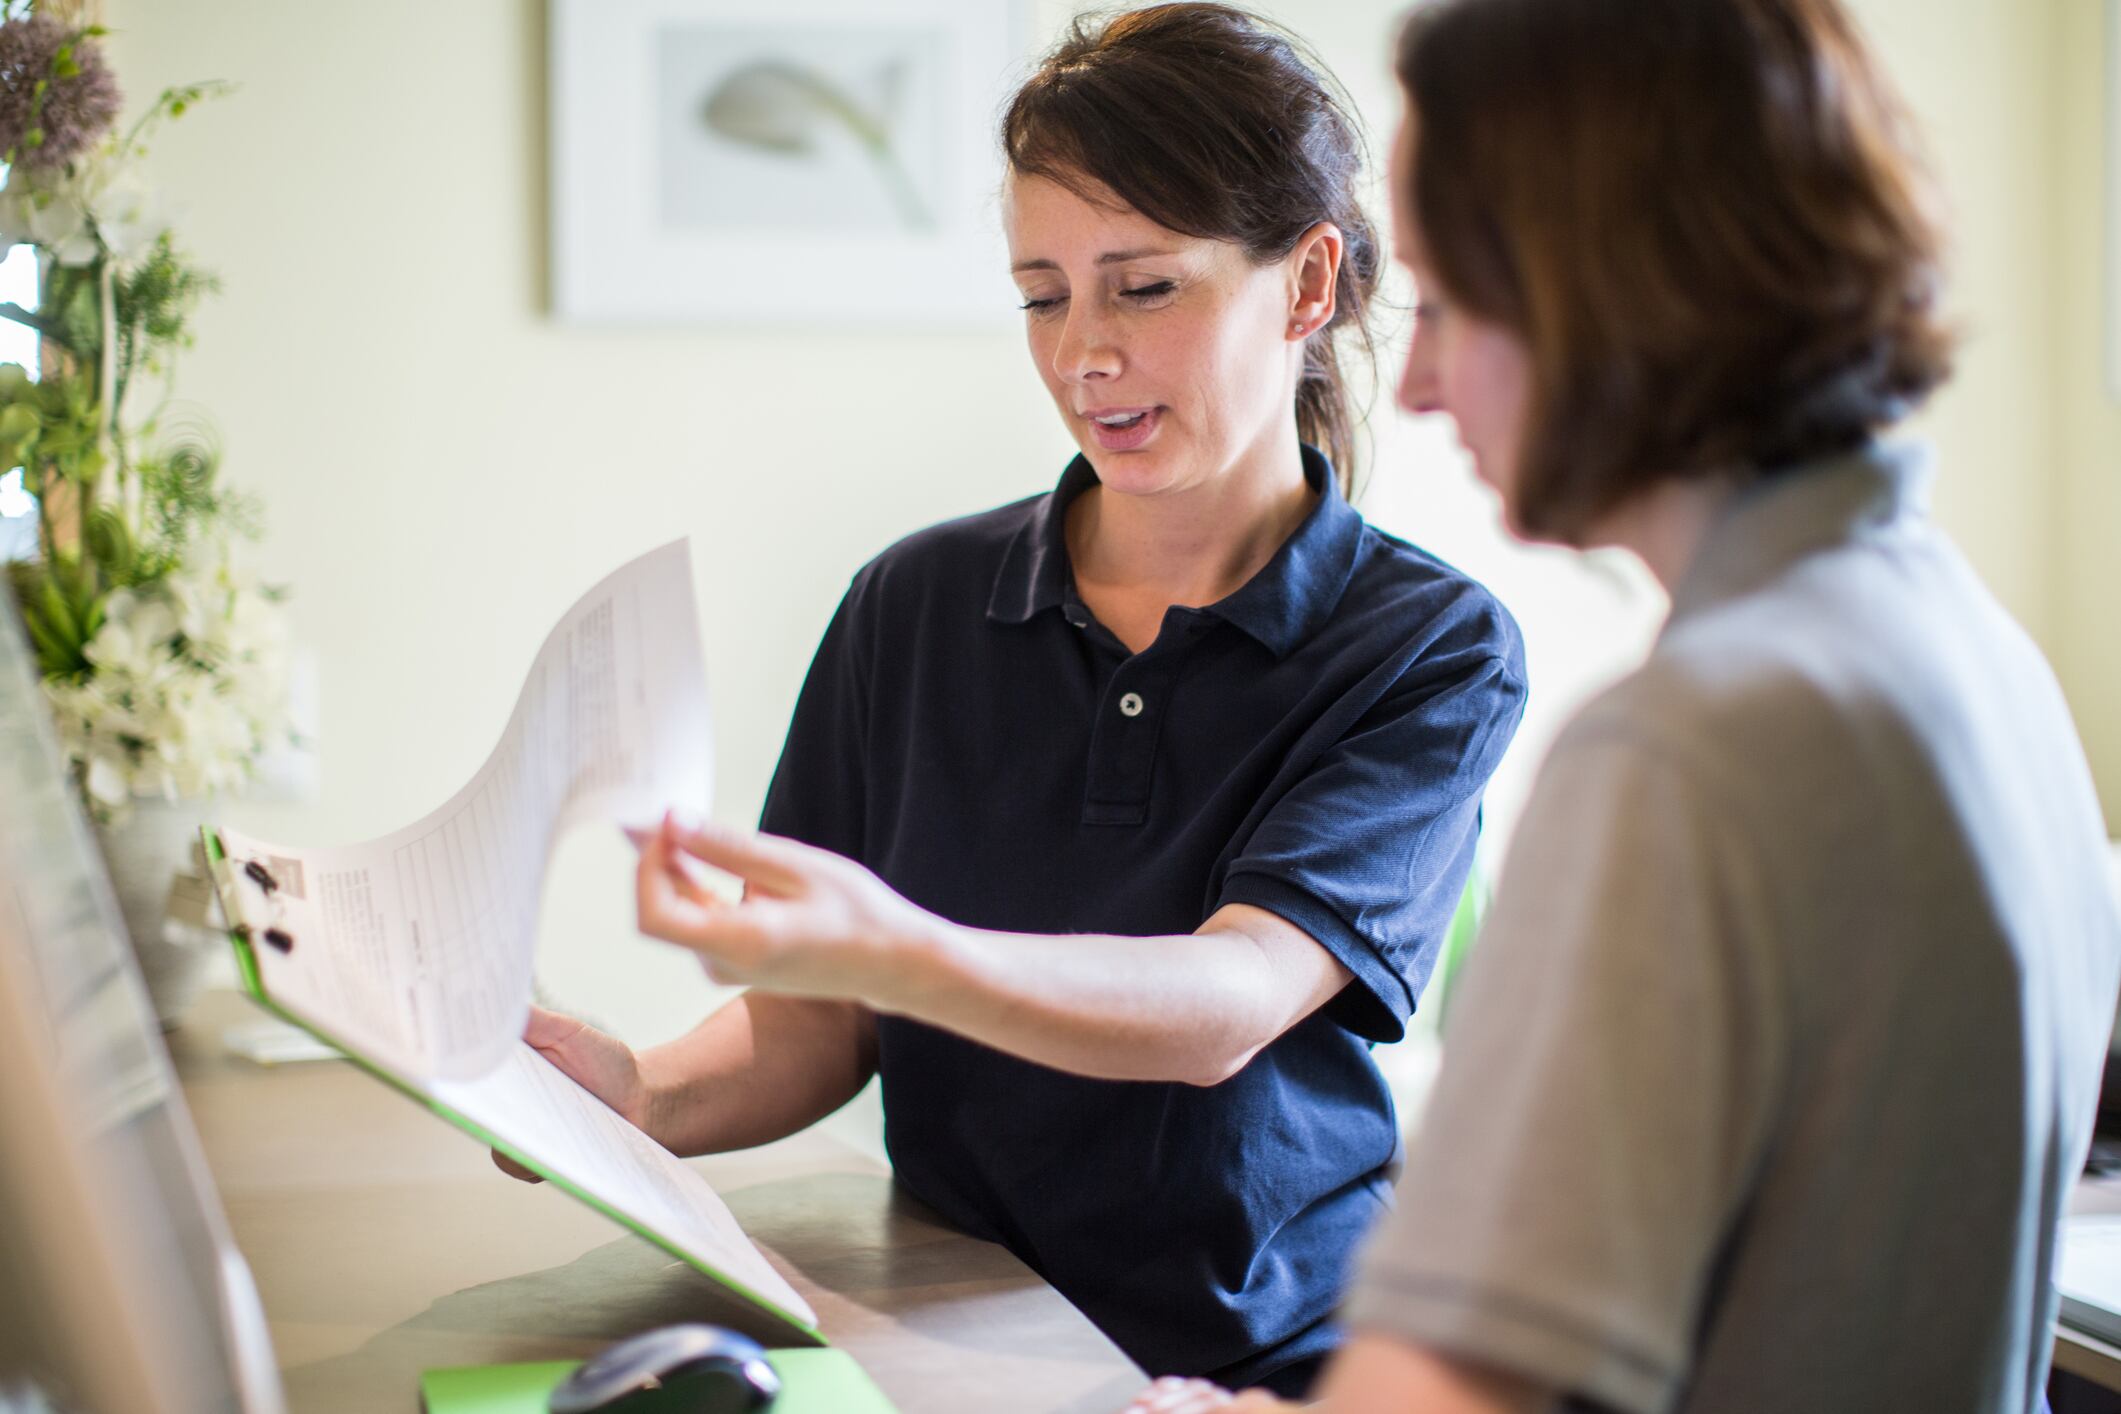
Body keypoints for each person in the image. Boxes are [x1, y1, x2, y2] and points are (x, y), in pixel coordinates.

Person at [500, 4, 1526, 1395]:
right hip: (942, 1312)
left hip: (1254, 1364)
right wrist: (643, 1097)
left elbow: (1229, 995)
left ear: (1304, 285)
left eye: (1142, 287)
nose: (1080, 354)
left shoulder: (1429, 649)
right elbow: (820, 1015)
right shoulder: (912, 603)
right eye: (1042, 294)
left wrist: (897, 945)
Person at [1123, 0, 2121, 1411]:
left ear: (1611, 286)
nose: (1407, 386)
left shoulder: (1690, 745)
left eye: (1456, 304)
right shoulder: (1977, 657)